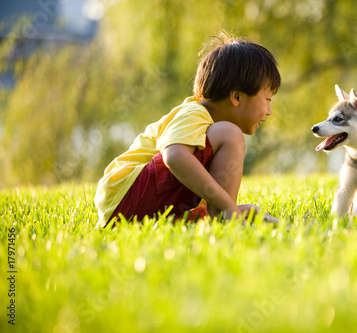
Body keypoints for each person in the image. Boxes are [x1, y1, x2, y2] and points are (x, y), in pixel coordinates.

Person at [94, 30, 281, 227]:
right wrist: (228, 207)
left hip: (134, 211)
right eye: (267, 99)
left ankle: (222, 218)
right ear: (236, 97)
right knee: (230, 134)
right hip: (127, 197)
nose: (269, 111)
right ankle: (226, 218)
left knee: (246, 209)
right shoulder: (194, 112)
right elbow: (174, 156)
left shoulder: (209, 134)